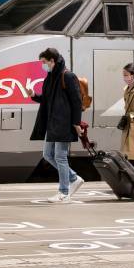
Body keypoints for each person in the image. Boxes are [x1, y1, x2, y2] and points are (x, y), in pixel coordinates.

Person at [27, 48, 85, 203]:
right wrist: (33, 96)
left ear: (52, 61)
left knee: (60, 156)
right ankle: (73, 178)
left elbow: (77, 102)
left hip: (64, 124)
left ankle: (64, 192)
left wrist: (76, 123)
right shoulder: (50, 77)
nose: (43, 65)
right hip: (52, 123)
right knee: (47, 155)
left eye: (44, 62)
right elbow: (46, 100)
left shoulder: (68, 76)